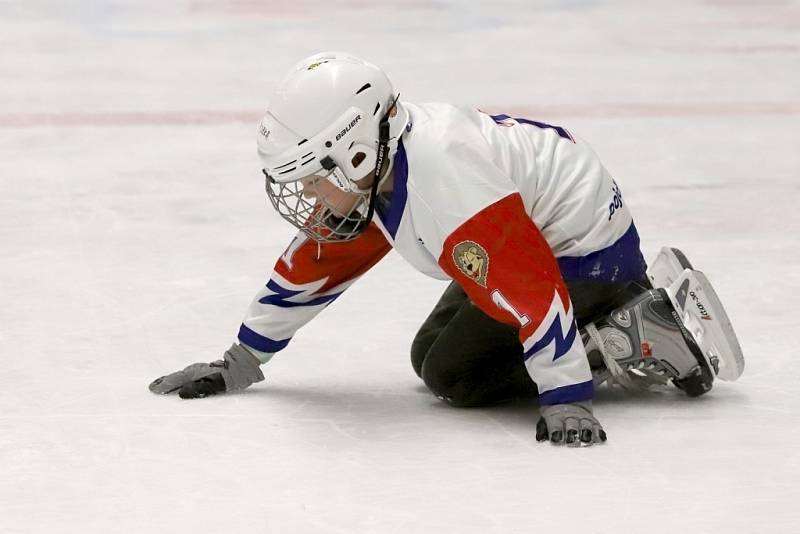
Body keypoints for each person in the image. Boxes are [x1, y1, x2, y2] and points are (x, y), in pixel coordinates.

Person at [150, 51, 744, 447]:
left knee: (455, 376)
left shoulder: (447, 187)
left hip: (588, 255)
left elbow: (531, 287)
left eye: (311, 175)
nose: (306, 193)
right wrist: (242, 359)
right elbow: (322, 264)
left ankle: (635, 327)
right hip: (533, 233)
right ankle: (612, 319)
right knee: (428, 351)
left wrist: (566, 396)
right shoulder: (382, 164)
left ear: (355, 151)